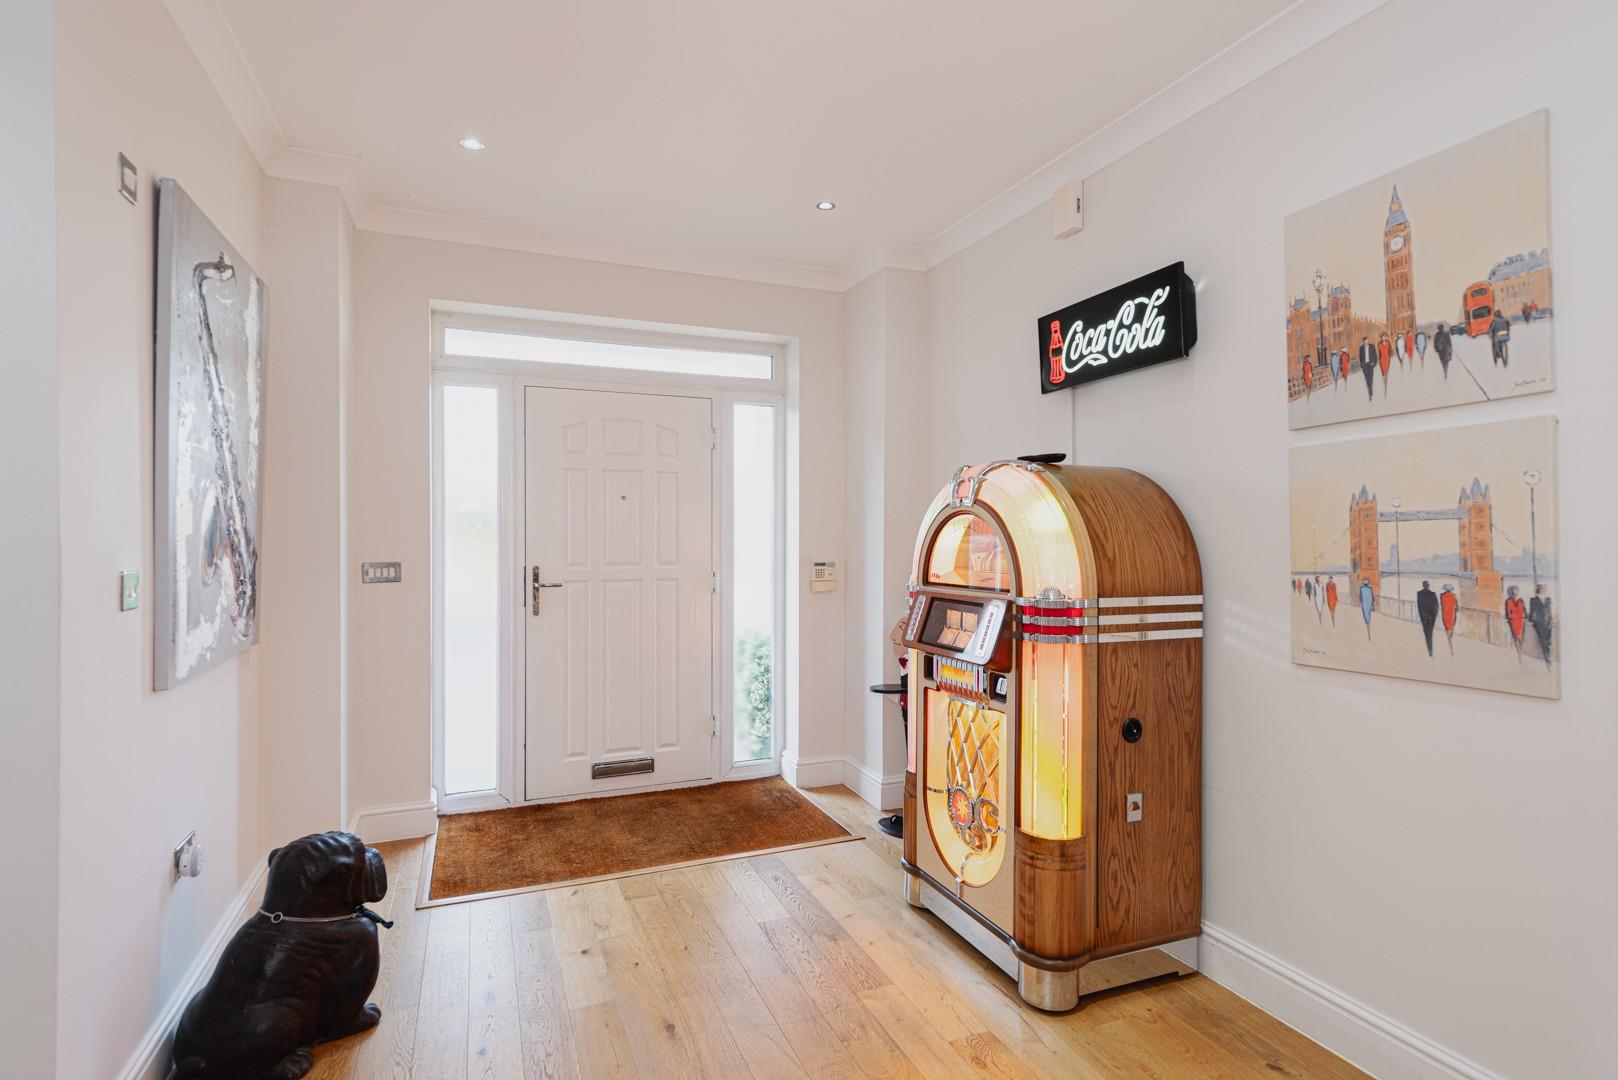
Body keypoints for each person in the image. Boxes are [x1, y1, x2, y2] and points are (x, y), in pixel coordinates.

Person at [1528, 584, 1553, 671]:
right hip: (1539, 623)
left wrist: (1551, 621)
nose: (1545, 591)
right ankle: (1547, 659)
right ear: (1539, 590)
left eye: (1545, 589)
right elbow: (1531, 612)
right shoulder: (1533, 600)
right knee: (1543, 641)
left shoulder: (1548, 599)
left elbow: (1550, 611)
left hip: (1548, 624)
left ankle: (1548, 656)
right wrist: (1533, 621)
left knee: (1548, 641)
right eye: (1543, 589)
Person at [1416, 580, 1439, 658]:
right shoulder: (1433, 594)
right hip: (1431, 617)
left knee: (1426, 633)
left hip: (1424, 617)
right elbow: (1436, 607)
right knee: (1430, 633)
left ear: (1423, 585)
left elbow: (1419, 607)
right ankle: (1430, 649)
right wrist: (1434, 616)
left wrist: (1421, 616)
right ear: (1428, 586)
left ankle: (1429, 649)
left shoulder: (1419, 594)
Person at [1504, 585, 1527, 662]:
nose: (1517, 592)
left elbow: (1524, 612)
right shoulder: (1508, 601)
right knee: (1516, 637)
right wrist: (1512, 617)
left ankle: (1521, 652)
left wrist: (1523, 616)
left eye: (1517, 590)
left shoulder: (1521, 600)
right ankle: (1519, 653)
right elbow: (1508, 613)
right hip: (1513, 622)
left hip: (1521, 621)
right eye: (1515, 590)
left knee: (1521, 637)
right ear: (1511, 591)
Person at [1440, 584, 1459, 655]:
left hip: (1445, 614)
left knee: (1447, 630)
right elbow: (1457, 608)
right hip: (1452, 615)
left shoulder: (1442, 596)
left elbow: (1442, 605)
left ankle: (1451, 647)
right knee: (1451, 630)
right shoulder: (1454, 596)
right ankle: (1451, 649)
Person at [1358, 337, 1378, 401]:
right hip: (1365, 365)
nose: (1366, 342)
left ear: (1368, 341)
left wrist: (1374, 363)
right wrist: (1362, 365)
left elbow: (1375, 355)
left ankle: (1370, 391)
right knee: (1367, 379)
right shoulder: (1361, 348)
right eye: (1365, 341)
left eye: (1367, 341)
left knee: (1370, 378)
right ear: (1363, 342)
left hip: (1370, 364)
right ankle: (1370, 390)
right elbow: (1360, 357)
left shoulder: (1372, 346)